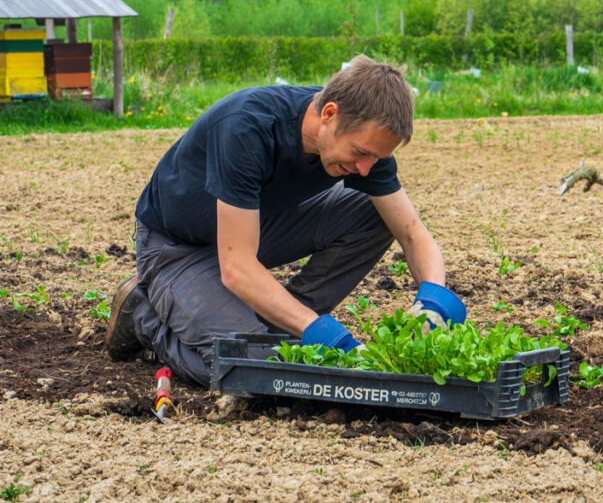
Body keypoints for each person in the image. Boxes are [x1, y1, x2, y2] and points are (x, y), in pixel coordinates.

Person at [105, 56, 466, 385]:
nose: (365, 168)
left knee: (375, 213)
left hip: (254, 227)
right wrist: (322, 333)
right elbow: (237, 266)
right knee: (258, 370)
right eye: (359, 153)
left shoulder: (366, 144)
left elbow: (413, 233)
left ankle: (283, 324)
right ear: (329, 114)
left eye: (376, 157)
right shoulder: (247, 127)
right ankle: (143, 318)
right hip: (176, 247)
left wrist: (434, 300)